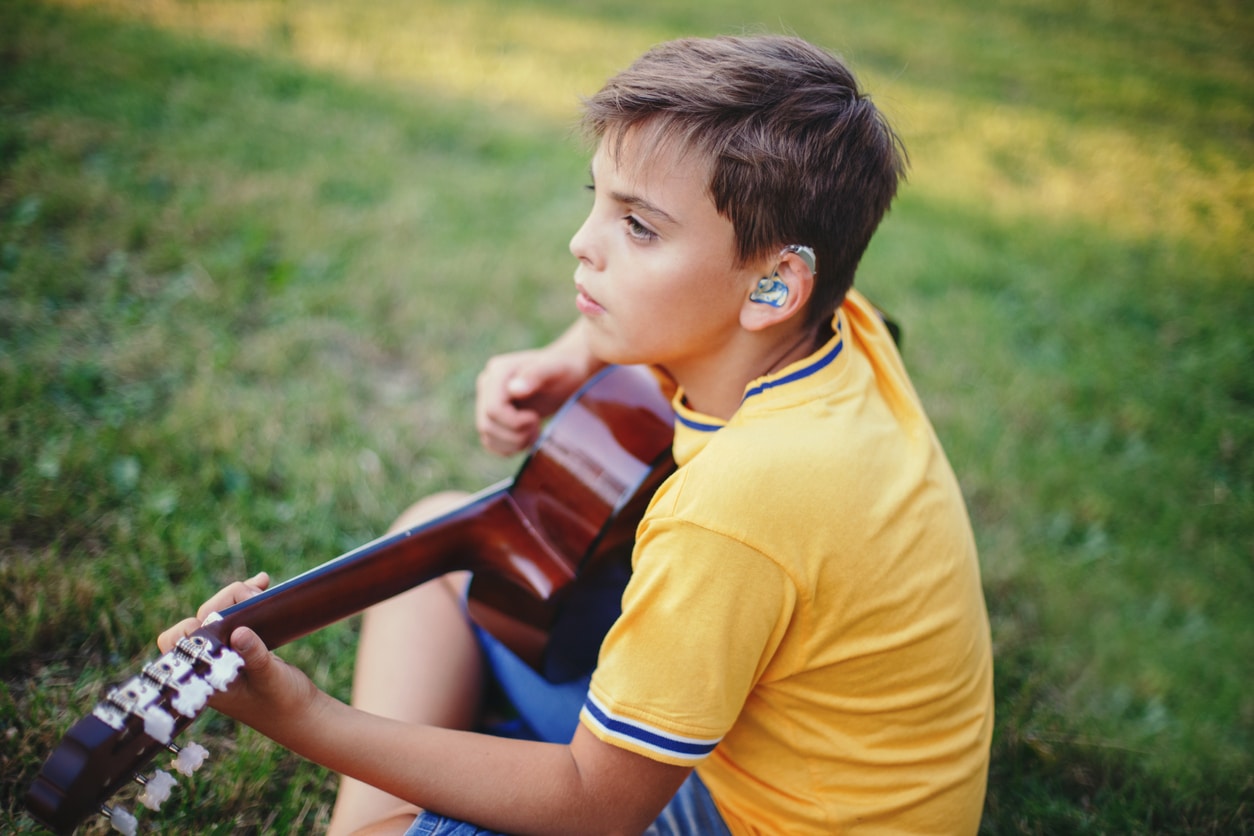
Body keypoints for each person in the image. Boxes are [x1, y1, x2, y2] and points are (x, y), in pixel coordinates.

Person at [159, 34, 994, 835]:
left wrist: (303, 715)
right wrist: (568, 359)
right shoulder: (835, 322)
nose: (581, 244)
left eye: (639, 226)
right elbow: (732, 317)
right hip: (759, 750)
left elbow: (597, 804)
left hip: (758, 818)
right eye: (594, 199)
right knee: (438, 528)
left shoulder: (732, 506)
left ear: (776, 286)